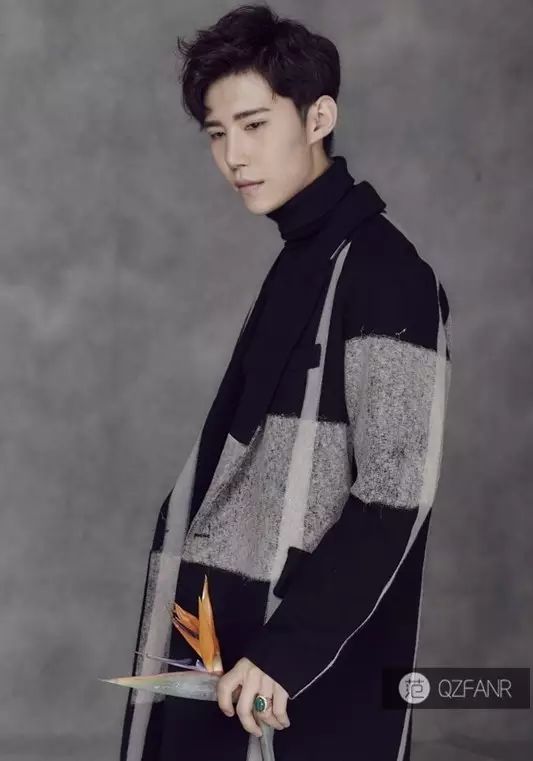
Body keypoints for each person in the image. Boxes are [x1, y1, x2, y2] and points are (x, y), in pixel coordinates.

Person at [120, 4, 452, 760]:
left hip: (292, 667)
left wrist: (288, 653)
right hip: (225, 637)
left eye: (254, 124)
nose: (233, 155)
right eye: (216, 133)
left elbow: (394, 496)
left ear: (317, 117)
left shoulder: (386, 273)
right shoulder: (306, 255)